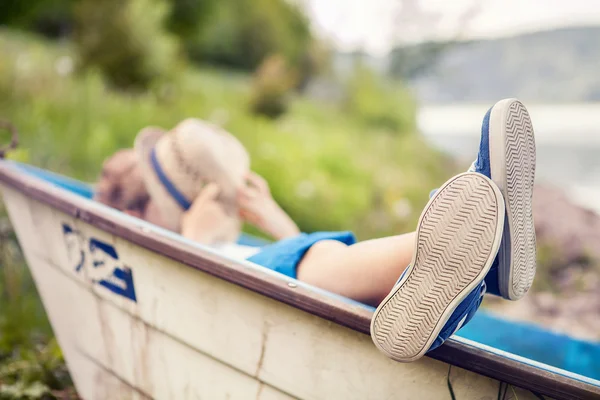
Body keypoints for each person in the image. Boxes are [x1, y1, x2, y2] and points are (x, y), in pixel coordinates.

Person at [94, 98, 536, 363]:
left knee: (327, 259)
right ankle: (474, 257)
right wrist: (191, 238)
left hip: (281, 277)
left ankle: (462, 266)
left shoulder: (223, 245)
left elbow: (302, 258)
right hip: (268, 281)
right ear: (144, 217)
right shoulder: (172, 250)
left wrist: (273, 219)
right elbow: (178, 296)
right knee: (322, 261)